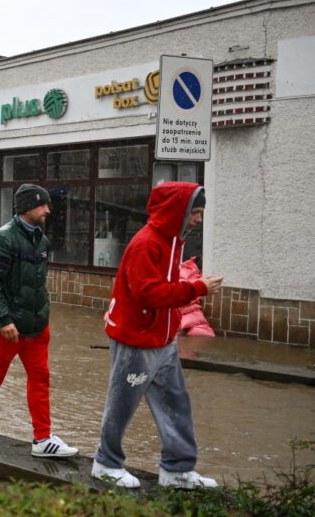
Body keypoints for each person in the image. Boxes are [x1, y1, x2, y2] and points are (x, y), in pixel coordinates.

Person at [91, 182, 222, 490]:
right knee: (121, 405)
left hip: (163, 340)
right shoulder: (147, 243)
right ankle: (106, 464)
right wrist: (197, 288)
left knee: (176, 403)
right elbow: (148, 293)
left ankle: (177, 471)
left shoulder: (172, 241)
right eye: (196, 213)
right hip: (136, 341)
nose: (199, 220)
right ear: (179, 212)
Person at [0, 184, 78, 459]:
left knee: (41, 379)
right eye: (43, 205)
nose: (48, 211)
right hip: (6, 328)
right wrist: (2, 320)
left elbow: (37, 283)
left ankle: (43, 439)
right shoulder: (1, 239)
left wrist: (43, 314)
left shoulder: (41, 241)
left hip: (37, 326)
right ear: (27, 207)